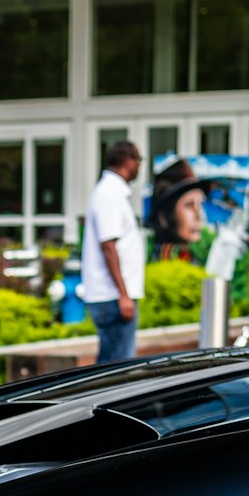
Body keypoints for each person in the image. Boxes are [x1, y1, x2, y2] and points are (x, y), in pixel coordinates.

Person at [81, 141, 145, 364]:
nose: (140, 166)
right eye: (139, 160)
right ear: (129, 161)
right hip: (113, 296)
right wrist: (123, 295)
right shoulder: (109, 193)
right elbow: (108, 246)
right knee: (117, 371)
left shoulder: (110, 191)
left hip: (113, 295)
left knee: (112, 366)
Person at [147, 159, 209, 261]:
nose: (199, 215)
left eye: (201, 204)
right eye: (189, 205)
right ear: (164, 216)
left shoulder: (191, 257)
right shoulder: (164, 258)